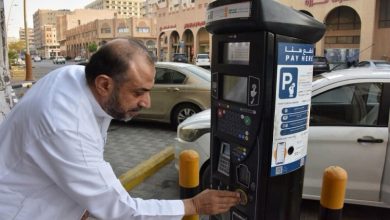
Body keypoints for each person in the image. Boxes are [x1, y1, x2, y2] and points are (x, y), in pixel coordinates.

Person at [0, 38, 240, 219]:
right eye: (138, 92)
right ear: (104, 84)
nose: (146, 103)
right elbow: (122, 210)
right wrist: (194, 206)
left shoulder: (73, 78)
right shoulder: (66, 126)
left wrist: (83, 206)